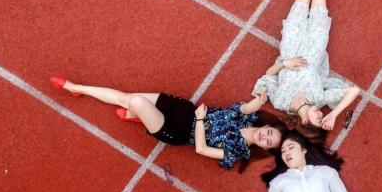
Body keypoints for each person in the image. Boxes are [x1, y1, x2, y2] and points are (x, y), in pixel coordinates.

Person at [252, 0, 361, 132]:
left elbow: (267, 75)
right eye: (323, 117)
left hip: (291, 43)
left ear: (303, 122)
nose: (321, 115)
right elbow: (354, 90)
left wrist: (284, 64)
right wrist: (334, 114)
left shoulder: (281, 102)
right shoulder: (319, 98)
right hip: (316, 43)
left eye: (318, 119)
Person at [50, 77, 283, 171]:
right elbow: (245, 108)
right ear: (266, 126)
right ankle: (82, 91)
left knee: (136, 100)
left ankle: (75, 88)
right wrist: (258, 100)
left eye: (270, 142)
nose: (266, 137)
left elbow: (201, 149)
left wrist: (201, 120)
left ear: (266, 147)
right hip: (182, 109)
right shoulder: (247, 117)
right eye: (270, 132)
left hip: (178, 131)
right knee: (126, 97)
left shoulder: (235, 152)